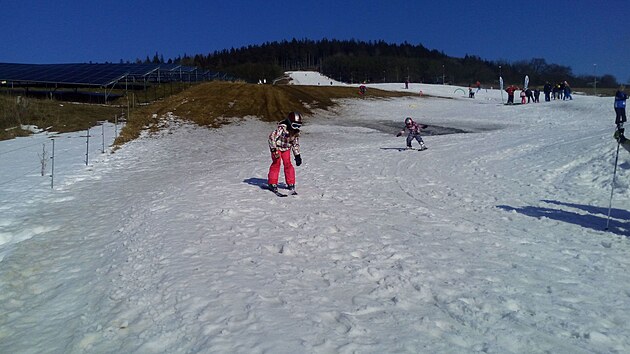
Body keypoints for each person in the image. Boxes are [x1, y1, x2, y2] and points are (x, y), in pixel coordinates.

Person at [267, 112, 302, 194]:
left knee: (288, 164)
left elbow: (295, 144)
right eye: (294, 125)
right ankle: (272, 182)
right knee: (276, 163)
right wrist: (273, 149)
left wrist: (297, 155)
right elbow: (271, 138)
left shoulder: (295, 133)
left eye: (298, 126)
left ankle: (291, 182)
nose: (296, 128)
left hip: (286, 149)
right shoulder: (281, 129)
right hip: (277, 148)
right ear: (289, 123)